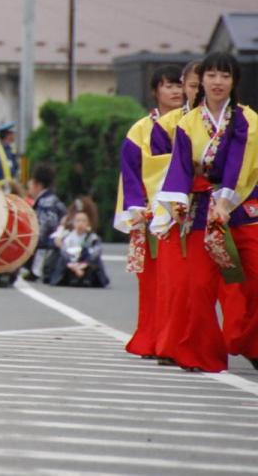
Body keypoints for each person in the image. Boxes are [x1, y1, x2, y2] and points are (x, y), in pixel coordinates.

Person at [152, 52, 258, 373]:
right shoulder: (187, 123)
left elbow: (242, 164)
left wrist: (225, 203)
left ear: (234, 82)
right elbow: (179, 169)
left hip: (242, 208)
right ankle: (201, 354)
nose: (217, 82)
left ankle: (247, 341)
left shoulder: (249, 120)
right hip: (201, 211)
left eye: (225, 76)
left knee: (252, 279)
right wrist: (177, 204)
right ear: (202, 81)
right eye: (211, 75)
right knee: (198, 286)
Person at [114, 64, 184, 358]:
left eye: (179, 85)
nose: (175, 91)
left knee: (181, 284)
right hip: (151, 214)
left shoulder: (192, 124)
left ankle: (176, 340)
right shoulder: (140, 130)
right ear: (155, 91)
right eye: (168, 85)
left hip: (185, 212)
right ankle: (153, 338)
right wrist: (137, 207)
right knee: (153, 281)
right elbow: (130, 172)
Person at [23, 164, 66, 282]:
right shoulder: (55, 200)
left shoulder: (44, 203)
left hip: (47, 250)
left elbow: (42, 232)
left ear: (38, 184)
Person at [47, 208, 110, 287]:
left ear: (88, 223)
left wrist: (84, 264)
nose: (80, 223)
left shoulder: (93, 237)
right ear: (73, 223)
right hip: (70, 263)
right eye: (78, 220)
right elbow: (63, 251)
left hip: (86, 264)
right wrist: (73, 266)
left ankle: (88, 279)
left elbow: (96, 252)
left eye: (83, 221)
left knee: (93, 257)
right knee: (61, 256)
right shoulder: (68, 236)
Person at [0, 122, 19, 190]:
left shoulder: (11, 149)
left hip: (11, 189)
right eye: (12, 133)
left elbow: (16, 168)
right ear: (7, 135)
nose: (14, 135)